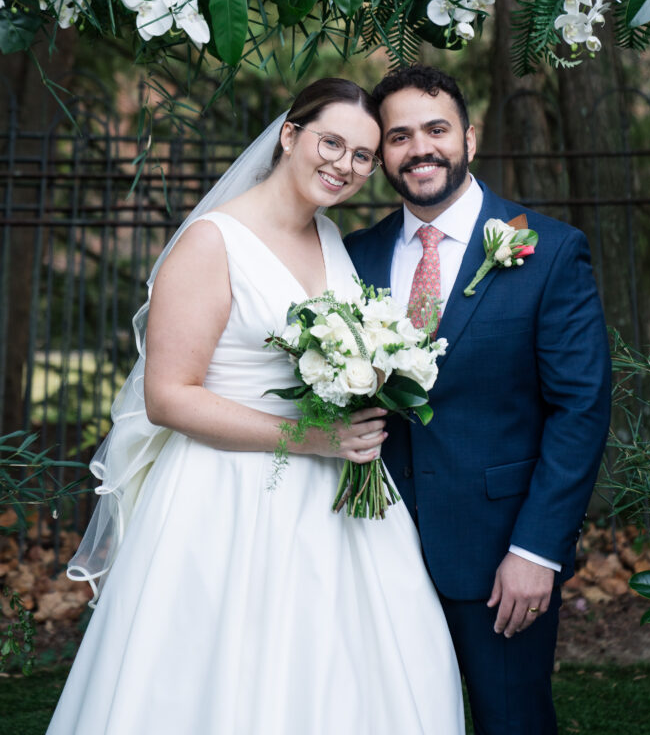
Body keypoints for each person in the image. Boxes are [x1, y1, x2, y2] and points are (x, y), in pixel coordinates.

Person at [47, 77, 465, 735]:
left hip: (336, 499)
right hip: (227, 493)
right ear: (290, 136)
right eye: (332, 143)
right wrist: (309, 439)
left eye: (362, 155)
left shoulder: (330, 238)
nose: (346, 166)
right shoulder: (212, 242)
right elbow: (167, 397)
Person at [345, 65, 612, 735]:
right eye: (399, 136)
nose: (419, 149)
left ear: (470, 136)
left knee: (509, 722)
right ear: (382, 153)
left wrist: (538, 550)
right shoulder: (352, 258)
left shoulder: (549, 252)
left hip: (499, 554)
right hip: (373, 547)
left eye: (436, 129)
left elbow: (580, 408)